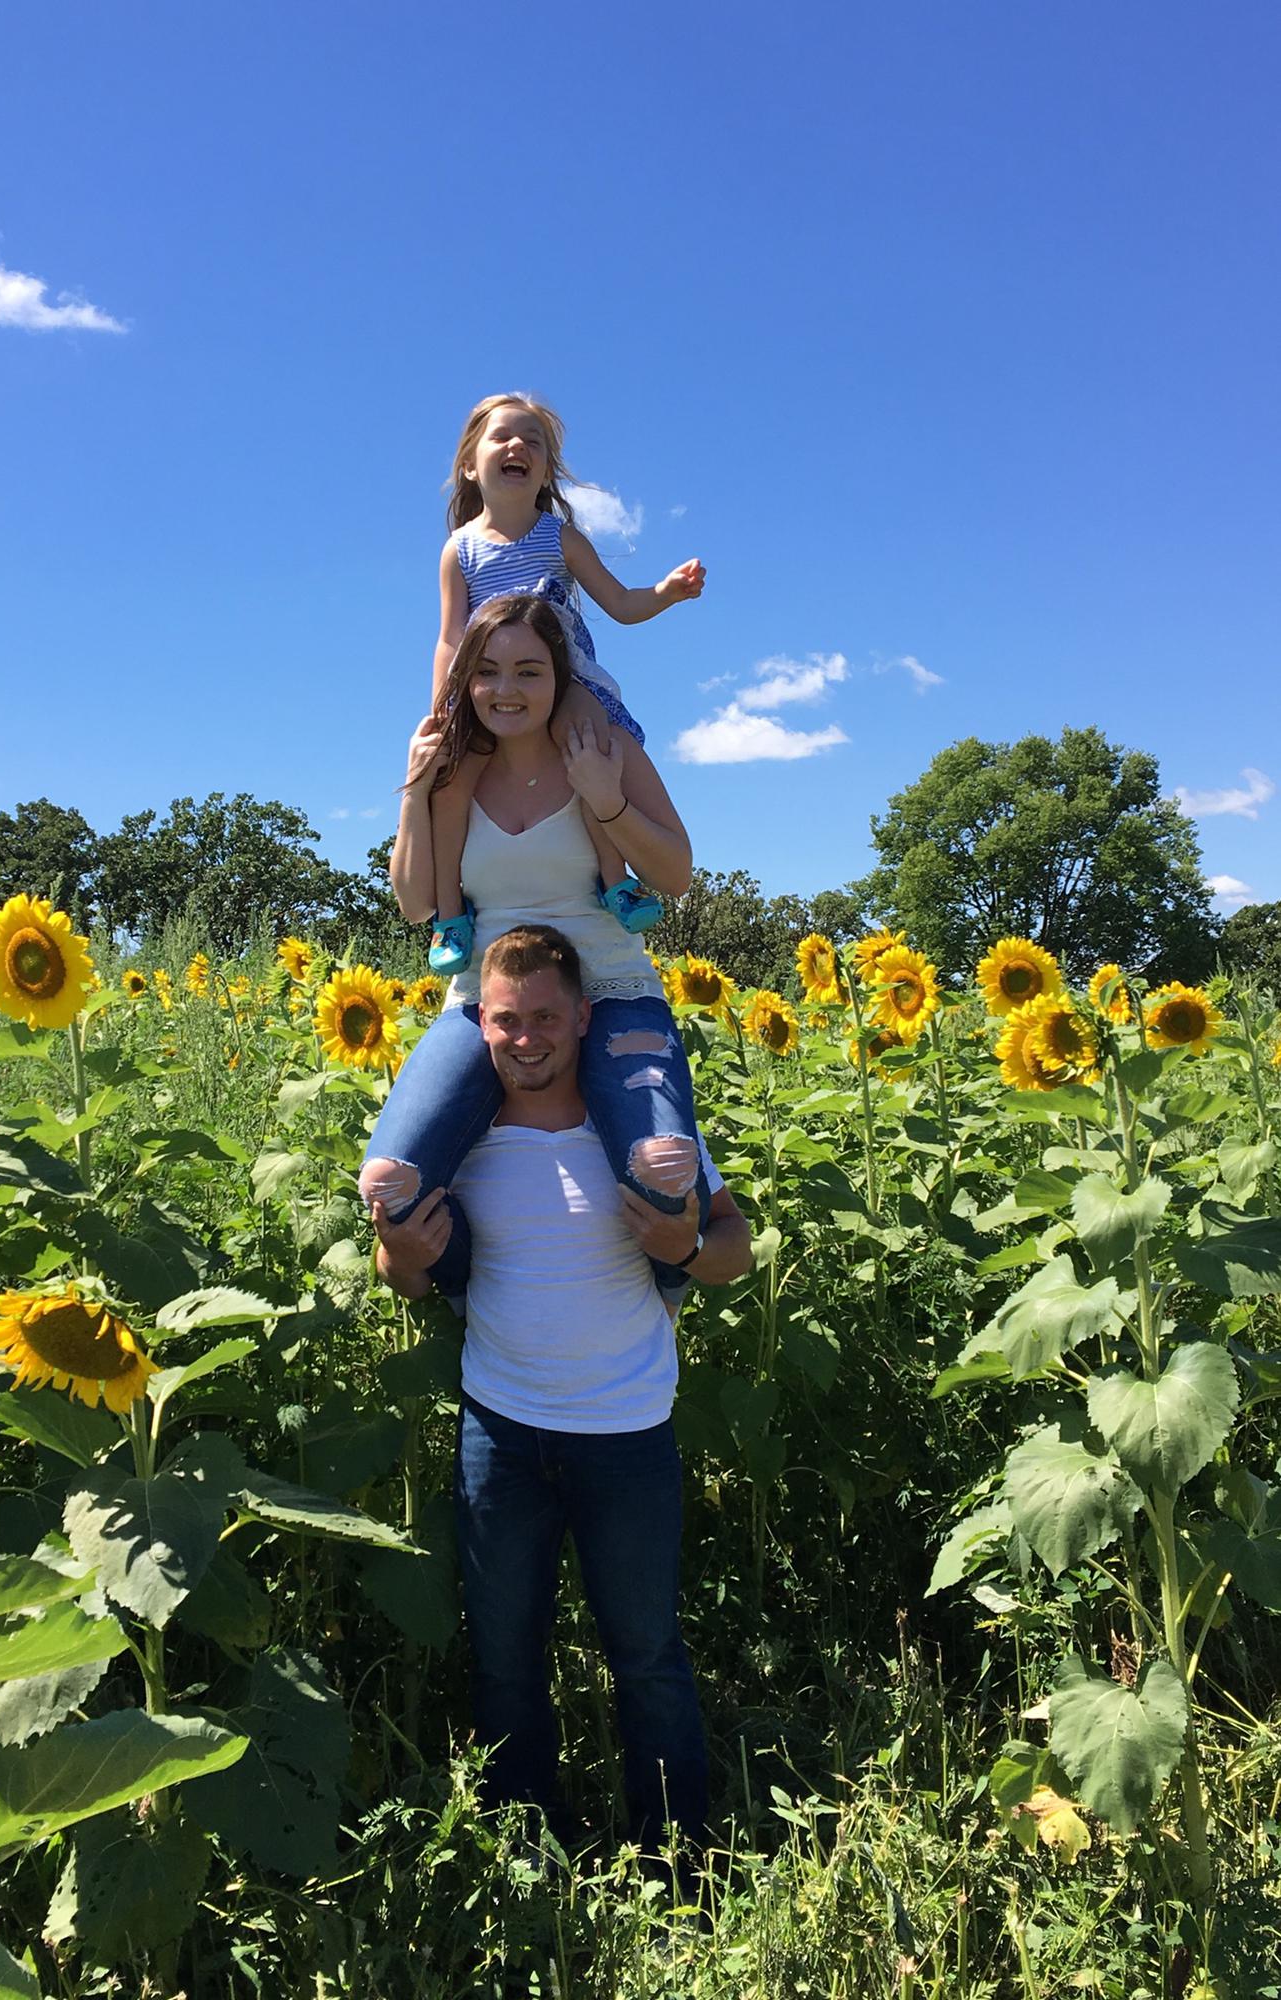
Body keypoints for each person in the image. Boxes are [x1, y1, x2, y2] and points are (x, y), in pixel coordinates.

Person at [370, 924, 753, 1845]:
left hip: (625, 1432)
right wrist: (399, 1259)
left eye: (546, 1016)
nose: (527, 1038)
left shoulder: (636, 1136)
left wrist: (687, 1247)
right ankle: (525, 1846)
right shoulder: (461, 1143)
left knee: (648, 1654)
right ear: (480, 1025)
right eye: (506, 1022)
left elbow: (735, 1246)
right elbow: (409, 1279)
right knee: (504, 1656)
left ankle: (677, 1853)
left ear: (584, 1016)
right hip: (499, 1430)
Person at [360, 593, 708, 1307]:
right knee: (389, 1182)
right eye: (486, 672)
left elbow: (674, 874)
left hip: (611, 991)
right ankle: (464, 1293)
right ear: (465, 680)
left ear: (560, 677)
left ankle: (666, 1291)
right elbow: (417, 903)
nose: (505, 691)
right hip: (488, 1006)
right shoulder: (456, 772)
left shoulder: (604, 749)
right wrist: (413, 790)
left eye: (528, 671)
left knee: (664, 1164)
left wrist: (605, 799)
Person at [426, 392, 706, 973]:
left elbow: (621, 604)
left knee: (589, 747)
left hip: (566, 672)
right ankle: (449, 915)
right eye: (503, 436)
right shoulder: (461, 550)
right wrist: (443, 706)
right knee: (450, 783)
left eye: (534, 442)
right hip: (488, 683)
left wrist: (667, 593)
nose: (518, 447)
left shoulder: (559, 538)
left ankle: (615, 881)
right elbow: (451, 637)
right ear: (470, 463)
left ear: (546, 471)